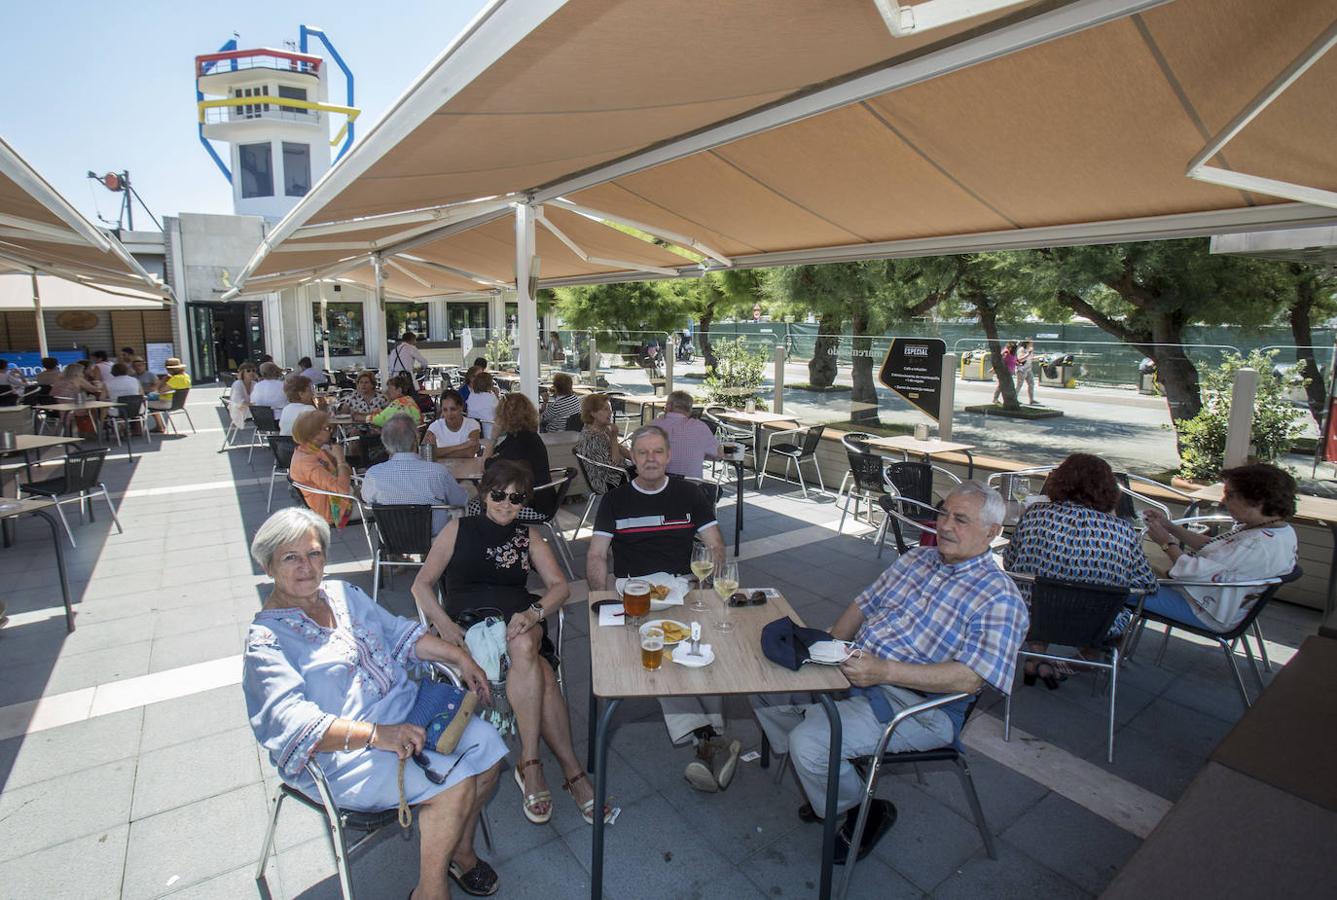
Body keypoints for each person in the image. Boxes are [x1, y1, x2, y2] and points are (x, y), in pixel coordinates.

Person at [752, 482, 1027, 861]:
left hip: (921, 707)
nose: (945, 525)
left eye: (960, 519)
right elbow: (863, 604)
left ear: (992, 532)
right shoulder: (918, 559)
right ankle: (834, 781)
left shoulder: (1000, 598)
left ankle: (858, 809)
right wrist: (825, 648)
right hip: (857, 669)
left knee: (810, 743)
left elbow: (971, 678)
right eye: (943, 513)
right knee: (760, 682)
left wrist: (885, 671)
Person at [243, 507, 506, 899]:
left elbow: (400, 634)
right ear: (268, 567)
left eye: (314, 554)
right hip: (346, 755)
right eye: (290, 557)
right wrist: (376, 735)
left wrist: (460, 657)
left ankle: (459, 851)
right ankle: (430, 891)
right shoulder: (267, 643)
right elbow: (294, 725)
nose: (306, 566)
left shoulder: (341, 594)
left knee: (490, 751)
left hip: (408, 713)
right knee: (457, 785)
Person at [411, 461, 612, 827]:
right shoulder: (458, 529)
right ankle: (571, 773)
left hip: (520, 621)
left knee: (522, 646)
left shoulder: (528, 535)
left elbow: (560, 587)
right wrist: (443, 623)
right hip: (468, 628)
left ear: (525, 501)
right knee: (543, 676)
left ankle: (531, 762)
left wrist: (534, 613)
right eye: (498, 494)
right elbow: (421, 585)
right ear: (484, 493)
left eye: (516, 497)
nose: (506, 503)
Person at [586, 426, 737, 792]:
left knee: (704, 644)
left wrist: (711, 587)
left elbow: (716, 546)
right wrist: (601, 596)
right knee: (658, 651)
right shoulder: (615, 500)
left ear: (668, 456)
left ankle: (708, 737)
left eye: (657, 452)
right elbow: (596, 555)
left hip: (681, 585)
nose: (650, 459)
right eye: (642, 453)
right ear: (632, 458)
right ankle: (708, 738)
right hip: (632, 590)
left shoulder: (689, 494)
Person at [1002, 453, 1157, 687]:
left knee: (1036, 589)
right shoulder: (1123, 532)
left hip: (1032, 617)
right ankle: (1074, 662)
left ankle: (1036, 655)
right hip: (1095, 625)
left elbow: (1010, 561)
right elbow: (1147, 585)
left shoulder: (1035, 515)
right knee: (1115, 611)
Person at [1141, 463, 1298, 632]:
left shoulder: (1258, 545)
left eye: (1230, 495)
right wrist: (1169, 526)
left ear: (1257, 500)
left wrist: (1166, 543)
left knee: (1117, 586)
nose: (1223, 501)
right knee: (1136, 571)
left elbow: (1196, 574)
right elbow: (1215, 546)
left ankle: (1113, 647)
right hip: (1222, 606)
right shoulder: (1276, 530)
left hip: (1207, 612)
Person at [361, 413, 468, 536]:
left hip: (392, 539)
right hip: (435, 540)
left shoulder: (373, 474)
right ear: (416, 439)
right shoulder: (438, 472)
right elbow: (460, 501)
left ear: (385, 444)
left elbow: (367, 499)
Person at [289, 410, 354, 527]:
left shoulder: (308, 450)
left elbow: (343, 475)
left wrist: (334, 458)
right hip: (335, 513)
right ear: (315, 434)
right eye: (328, 428)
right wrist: (340, 459)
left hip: (335, 500)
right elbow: (342, 490)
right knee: (383, 506)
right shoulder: (307, 462)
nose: (332, 431)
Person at [651, 390, 722, 479]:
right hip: (691, 488)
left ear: (669, 406)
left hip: (656, 487)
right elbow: (719, 454)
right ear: (690, 409)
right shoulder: (699, 427)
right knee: (716, 490)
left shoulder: (653, 426)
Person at [574, 394, 628, 493]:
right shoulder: (592, 437)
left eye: (610, 409)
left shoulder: (600, 429)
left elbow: (618, 448)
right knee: (651, 475)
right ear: (593, 413)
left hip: (615, 474)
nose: (610, 412)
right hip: (608, 481)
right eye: (605, 409)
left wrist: (637, 457)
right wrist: (614, 438)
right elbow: (615, 465)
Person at [426, 390, 481, 459]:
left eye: (453, 409)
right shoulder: (435, 426)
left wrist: (437, 453)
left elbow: (470, 453)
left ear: (461, 408)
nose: (449, 414)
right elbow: (425, 452)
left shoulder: (472, 424)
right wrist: (462, 446)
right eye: (445, 410)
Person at [465, 371, 498, 438]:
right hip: (490, 433)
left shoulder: (471, 395)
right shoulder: (491, 397)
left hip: (472, 433)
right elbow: (499, 414)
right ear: (490, 384)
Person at [228, 361, 259, 430]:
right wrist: (254, 405)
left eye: (253, 370)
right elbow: (240, 403)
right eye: (248, 371)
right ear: (242, 373)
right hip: (239, 411)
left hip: (251, 409)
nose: (251, 372)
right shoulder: (237, 384)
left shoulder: (254, 384)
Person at [1015, 339, 1037, 405]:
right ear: (1027, 343)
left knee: (1031, 384)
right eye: (1031, 342)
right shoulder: (1022, 349)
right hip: (1021, 370)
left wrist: (1039, 357)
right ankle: (1014, 399)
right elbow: (1020, 359)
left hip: (1028, 369)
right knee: (1019, 385)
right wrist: (1028, 353)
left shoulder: (1030, 349)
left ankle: (1031, 400)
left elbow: (1031, 358)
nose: (1032, 344)